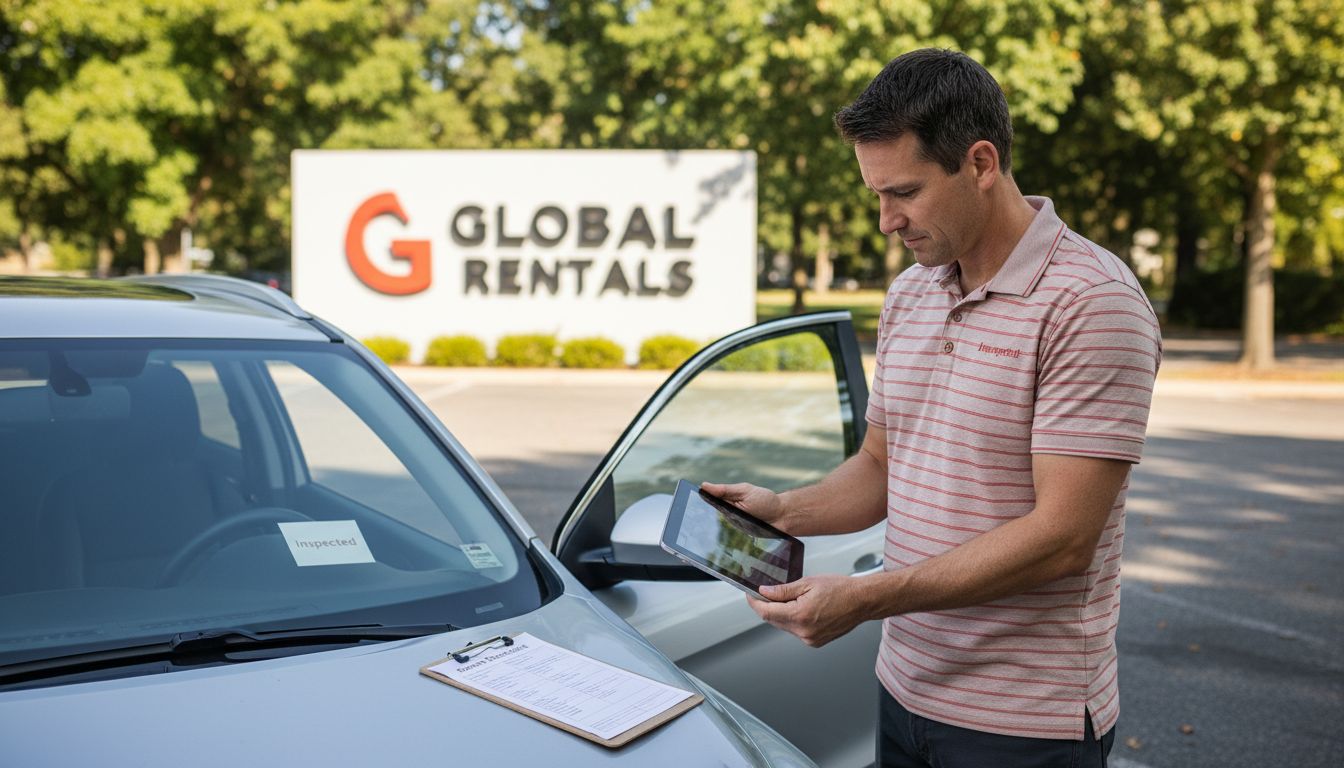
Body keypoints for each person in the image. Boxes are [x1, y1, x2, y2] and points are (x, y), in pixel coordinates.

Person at [702, 48, 1161, 768]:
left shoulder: (1090, 302)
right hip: (902, 687)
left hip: (1021, 722)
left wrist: (866, 597)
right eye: (876, 195)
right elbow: (883, 465)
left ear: (980, 163)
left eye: (904, 193)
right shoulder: (910, 295)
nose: (886, 221)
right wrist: (784, 511)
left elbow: (1064, 537)